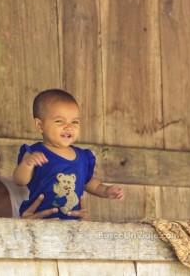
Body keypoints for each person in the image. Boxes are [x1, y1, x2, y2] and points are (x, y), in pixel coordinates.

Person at [13, 89, 124, 219]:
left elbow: (87, 182)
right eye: (60, 121)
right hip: (40, 220)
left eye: (74, 122)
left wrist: (106, 190)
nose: (68, 126)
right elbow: (19, 180)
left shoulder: (83, 157)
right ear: (40, 125)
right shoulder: (35, 152)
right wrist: (28, 164)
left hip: (72, 222)